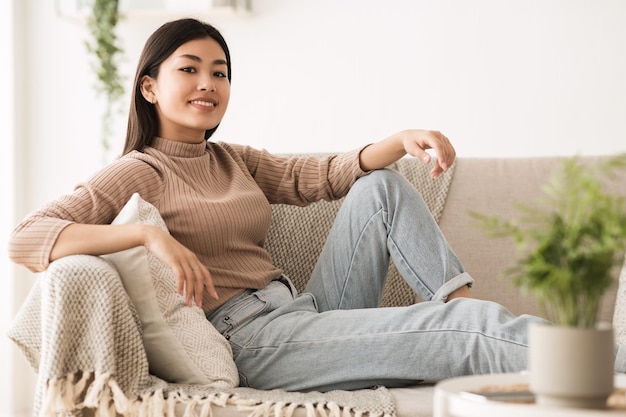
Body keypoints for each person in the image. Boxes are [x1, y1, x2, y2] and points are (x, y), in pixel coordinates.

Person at [9, 18, 624, 392]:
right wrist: (148, 237)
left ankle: (456, 298)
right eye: (189, 69)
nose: (208, 84)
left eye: (220, 72)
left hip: (301, 311)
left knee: (379, 186)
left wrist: (399, 140)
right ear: (149, 86)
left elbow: (319, 176)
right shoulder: (137, 171)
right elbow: (27, 236)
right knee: (469, 333)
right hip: (252, 343)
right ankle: (597, 357)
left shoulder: (233, 159)